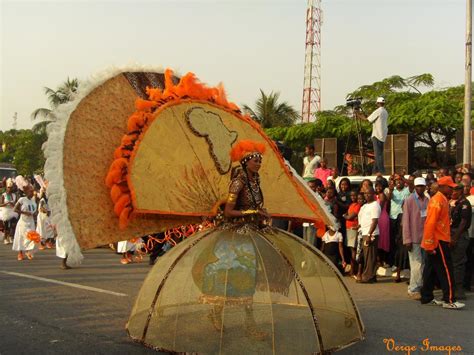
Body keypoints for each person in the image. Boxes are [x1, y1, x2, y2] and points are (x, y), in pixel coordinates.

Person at [420, 176, 465, 309]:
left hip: (437, 239)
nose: (452, 189)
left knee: (431, 269)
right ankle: (449, 299)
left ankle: (427, 296)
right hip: (438, 240)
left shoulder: (442, 199)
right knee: (446, 269)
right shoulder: (438, 200)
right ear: (442, 187)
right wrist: (429, 244)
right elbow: (430, 223)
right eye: (449, 187)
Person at [402, 177, 429, 300]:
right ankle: (413, 289)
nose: (420, 188)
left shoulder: (427, 200)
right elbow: (406, 221)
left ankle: (419, 286)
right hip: (413, 238)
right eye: (418, 186)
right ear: (415, 187)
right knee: (416, 264)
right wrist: (407, 239)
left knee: (422, 264)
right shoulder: (409, 200)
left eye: (422, 186)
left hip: (425, 238)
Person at [449, 183, 472, 300]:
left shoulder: (464, 204)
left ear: (460, 191)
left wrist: (455, 238)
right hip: (453, 233)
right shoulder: (456, 203)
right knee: (454, 262)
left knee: (458, 263)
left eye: (454, 190)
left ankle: (459, 290)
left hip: (460, 235)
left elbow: (463, 223)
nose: (452, 192)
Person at [387, 175, 410, 279]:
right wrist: (391, 190)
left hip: (403, 217)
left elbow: (412, 187)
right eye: (396, 181)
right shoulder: (393, 190)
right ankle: (393, 263)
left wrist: (403, 178)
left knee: (402, 242)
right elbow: (389, 198)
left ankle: (402, 266)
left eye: (400, 180)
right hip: (393, 217)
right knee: (394, 241)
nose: (398, 182)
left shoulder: (407, 190)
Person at [358, 97, 388, 174]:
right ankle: (374, 171)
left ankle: (382, 171)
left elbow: (367, 120)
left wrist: (357, 114)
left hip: (377, 135)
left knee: (378, 155)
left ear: (377, 103)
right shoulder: (385, 111)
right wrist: (365, 115)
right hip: (382, 135)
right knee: (379, 154)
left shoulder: (378, 111)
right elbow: (372, 118)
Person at [357, 186, 381, 283]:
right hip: (363, 232)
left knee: (370, 256)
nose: (367, 195)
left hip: (371, 234)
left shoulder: (375, 205)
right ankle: (371, 275)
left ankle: (368, 276)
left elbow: (374, 221)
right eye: (365, 194)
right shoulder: (365, 206)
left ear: (373, 194)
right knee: (365, 256)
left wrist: (369, 234)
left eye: (369, 193)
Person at [12, 184, 38, 261]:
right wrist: (25, 213)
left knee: (31, 237)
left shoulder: (33, 201)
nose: (32, 193)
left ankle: (27, 251)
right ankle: (20, 253)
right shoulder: (22, 199)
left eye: (33, 191)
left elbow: (35, 210)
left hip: (31, 222)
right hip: (23, 222)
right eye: (31, 191)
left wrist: (35, 214)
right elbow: (15, 209)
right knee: (21, 237)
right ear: (26, 192)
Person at [343, 190, 362, 276]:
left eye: (354, 196)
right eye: (351, 196)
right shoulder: (351, 205)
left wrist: (345, 216)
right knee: (351, 249)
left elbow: (349, 216)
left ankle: (353, 270)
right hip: (348, 228)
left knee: (353, 249)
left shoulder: (358, 205)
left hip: (353, 228)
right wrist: (346, 216)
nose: (353, 197)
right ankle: (353, 269)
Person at [374, 181, 390, 267]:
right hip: (377, 218)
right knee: (379, 239)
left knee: (382, 239)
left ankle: (382, 260)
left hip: (382, 218)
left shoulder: (382, 195)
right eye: (376, 186)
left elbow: (380, 207)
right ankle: (379, 260)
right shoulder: (375, 196)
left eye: (380, 186)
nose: (378, 188)